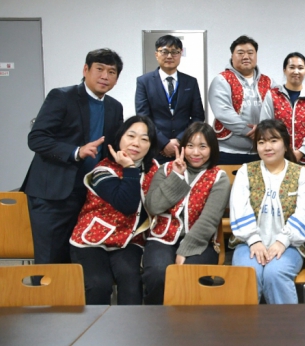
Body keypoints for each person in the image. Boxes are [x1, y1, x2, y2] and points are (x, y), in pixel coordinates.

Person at [22, 48, 124, 266]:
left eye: (111, 72)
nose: (105, 76)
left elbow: (113, 147)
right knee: (50, 259)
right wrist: (76, 151)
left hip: (90, 194)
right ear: (85, 70)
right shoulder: (61, 97)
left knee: (78, 259)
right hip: (54, 192)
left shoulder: (114, 107)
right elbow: (37, 139)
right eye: (99, 69)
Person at [69, 115, 159, 305]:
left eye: (144, 139)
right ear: (119, 138)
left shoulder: (155, 169)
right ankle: (96, 324)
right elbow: (126, 204)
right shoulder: (103, 170)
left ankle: (129, 324)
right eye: (131, 136)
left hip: (129, 240)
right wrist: (129, 168)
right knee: (98, 284)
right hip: (92, 240)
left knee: (131, 282)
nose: (136, 143)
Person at [142, 122, 230, 305]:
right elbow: (153, 206)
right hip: (162, 238)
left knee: (192, 275)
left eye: (202, 146)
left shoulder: (219, 177)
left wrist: (185, 251)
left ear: (212, 149)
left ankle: (192, 322)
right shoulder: (165, 170)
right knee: (158, 273)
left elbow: (209, 220)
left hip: (200, 242)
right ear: (182, 147)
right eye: (190, 146)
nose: (195, 152)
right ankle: (155, 318)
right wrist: (176, 176)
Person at [229, 119, 305, 304]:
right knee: (249, 272)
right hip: (248, 243)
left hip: (290, 245)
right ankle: (246, 322)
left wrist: (282, 241)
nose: (267, 147)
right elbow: (239, 208)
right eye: (261, 142)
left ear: (285, 144)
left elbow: (304, 214)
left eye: (273, 140)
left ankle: (284, 323)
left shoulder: (301, 174)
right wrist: (254, 240)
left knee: (275, 273)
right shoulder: (246, 172)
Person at [136, 34, 205, 164]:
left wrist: (179, 140)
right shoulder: (144, 82)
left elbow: (198, 116)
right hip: (155, 148)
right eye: (164, 51)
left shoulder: (191, 82)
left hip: (185, 148)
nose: (169, 56)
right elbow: (143, 117)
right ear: (156, 54)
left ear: (180, 54)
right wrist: (164, 143)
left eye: (174, 52)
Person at [209, 35, 272, 165]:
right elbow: (223, 113)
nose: (246, 56)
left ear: (256, 56)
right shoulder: (222, 80)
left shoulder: (268, 82)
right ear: (232, 56)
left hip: (261, 151)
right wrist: (251, 132)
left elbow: (277, 110)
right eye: (240, 53)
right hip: (229, 152)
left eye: (250, 53)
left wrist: (264, 131)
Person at [260, 52, 305, 165]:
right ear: (284, 70)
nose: (296, 71)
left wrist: (302, 151)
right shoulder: (272, 95)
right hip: (278, 158)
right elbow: (265, 126)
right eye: (292, 67)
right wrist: (281, 150)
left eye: (300, 68)